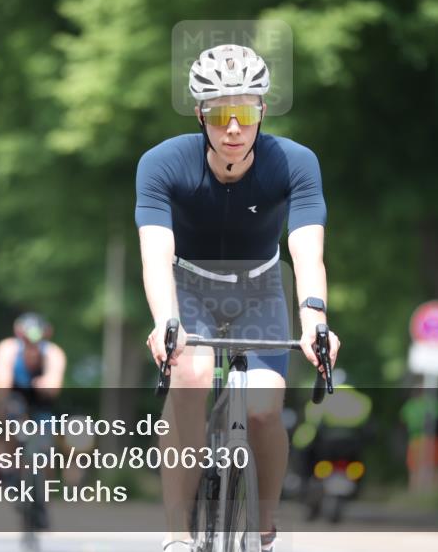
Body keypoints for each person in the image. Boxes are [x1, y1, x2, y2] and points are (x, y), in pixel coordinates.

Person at [136, 43, 340, 552]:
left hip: (261, 288)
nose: (233, 128)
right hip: (190, 285)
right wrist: (167, 322)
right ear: (201, 114)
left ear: (262, 112)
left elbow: (307, 252)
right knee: (192, 374)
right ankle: (178, 533)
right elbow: (155, 254)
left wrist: (316, 320)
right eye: (221, 114)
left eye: (245, 113)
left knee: (264, 409)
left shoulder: (295, 163)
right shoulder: (162, 163)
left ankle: (264, 528)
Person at [0, 313, 67, 550]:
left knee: (45, 449)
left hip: (41, 402)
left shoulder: (53, 353)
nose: (32, 348)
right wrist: (1, 416)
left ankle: (42, 500)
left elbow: (55, 384)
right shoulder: (7, 349)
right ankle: (10, 473)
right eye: (27, 342)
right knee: (8, 429)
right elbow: (2, 383)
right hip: (15, 398)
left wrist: (46, 383)